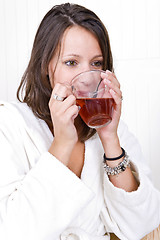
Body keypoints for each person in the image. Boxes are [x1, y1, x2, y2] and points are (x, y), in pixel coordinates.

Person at [0, 3, 159, 240]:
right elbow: (13, 231)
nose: (87, 78)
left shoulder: (112, 130)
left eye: (96, 64)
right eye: (71, 62)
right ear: (46, 66)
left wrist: (110, 140)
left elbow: (144, 224)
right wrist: (62, 143)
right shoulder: (11, 123)